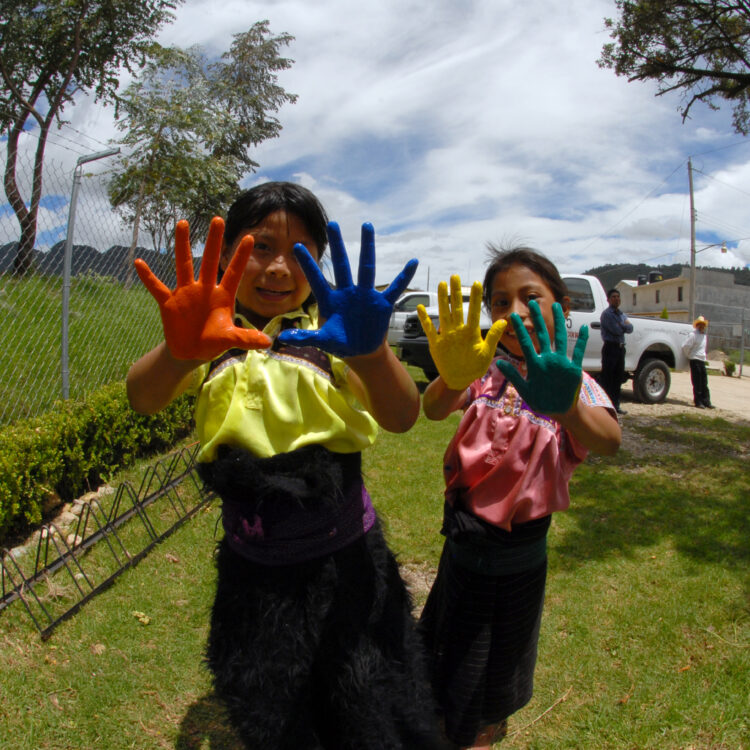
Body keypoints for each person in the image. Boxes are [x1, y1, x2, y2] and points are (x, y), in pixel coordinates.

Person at [126, 182, 447, 750]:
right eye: (260, 247)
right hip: (254, 572)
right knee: (274, 716)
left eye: (298, 251)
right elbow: (143, 397)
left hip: (348, 564)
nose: (277, 266)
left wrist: (370, 352)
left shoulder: (334, 336)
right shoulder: (209, 339)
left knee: (370, 707)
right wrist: (179, 350)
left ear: (318, 264)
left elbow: (401, 415)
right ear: (228, 258)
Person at [415, 246, 622, 749]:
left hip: (517, 562)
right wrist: (453, 376)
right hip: (462, 549)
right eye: (500, 302)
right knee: (441, 671)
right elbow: (433, 410)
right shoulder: (486, 370)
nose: (514, 312)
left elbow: (609, 440)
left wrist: (567, 407)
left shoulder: (575, 382)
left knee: (487, 692)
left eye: (531, 297)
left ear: (563, 306)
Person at [599, 288, 633, 415]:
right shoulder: (607, 314)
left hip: (620, 348)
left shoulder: (621, 314)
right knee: (608, 378)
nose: (616, 298)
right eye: (613, 296)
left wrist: (622, 325)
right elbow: (616, 330)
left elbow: (630, 328)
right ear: (608, 299)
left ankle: (616, 405)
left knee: (617, 378)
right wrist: (623, 325)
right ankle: (605, 407)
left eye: (618, 296)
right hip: (610, 348)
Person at [683, 315, 714, 409]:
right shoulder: (693, 335)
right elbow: (685, 346)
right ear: (697, 325)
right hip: (695, 359)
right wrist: (689, 355)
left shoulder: (704, 336)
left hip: (702, 360)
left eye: (703, 325)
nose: (702, 327)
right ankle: (698, 401)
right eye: (700, 325)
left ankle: (706, 401)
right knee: (697, 382)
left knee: (704, 382)